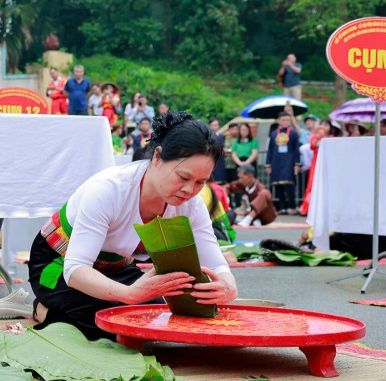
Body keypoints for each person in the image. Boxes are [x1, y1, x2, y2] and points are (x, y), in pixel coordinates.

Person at [26, 111, 237, 340]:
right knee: (109, 326)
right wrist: (130, 293)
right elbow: (75, 270)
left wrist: (227, 286)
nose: (190, 190)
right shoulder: (108, 190)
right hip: (57, 263)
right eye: (183, 177)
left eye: (200, 182)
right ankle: (42, 309)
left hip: (115, 267)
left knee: (155, 320)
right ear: (157, 157)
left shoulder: (192, 205)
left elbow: (216, 264)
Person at [267, 111, 300, 214]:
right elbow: (270, 150)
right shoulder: (273, 134)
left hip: (288, 161)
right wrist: (268, 164)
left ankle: (292, 206)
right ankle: (282, 207)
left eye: (287, 120)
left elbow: (296, 149)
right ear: (278, 121)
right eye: (283, 120)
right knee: (278, 185)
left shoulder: (293, 134)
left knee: (289, 185)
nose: (286, 122)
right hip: (276, 162)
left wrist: (297, 163)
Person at [208, 118, 228, 183]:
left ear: (219, 126)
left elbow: (224, 147)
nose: (214, 127)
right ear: (209, 126)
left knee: (220, 178)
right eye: (212, 125)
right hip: (209, 158)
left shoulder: (222, 136)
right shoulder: (207, 136)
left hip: (219, 159)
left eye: (216, 125)